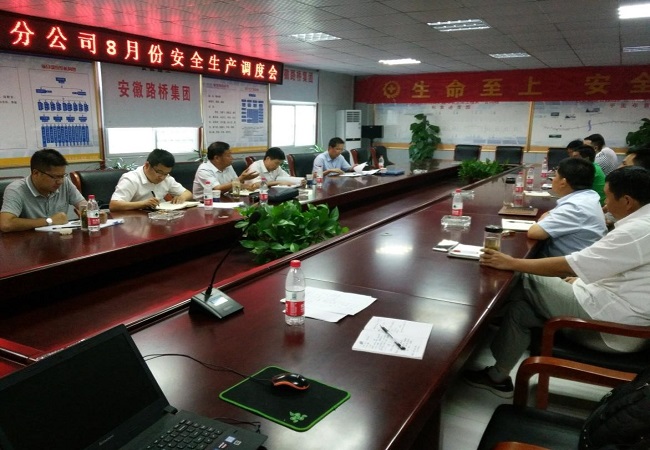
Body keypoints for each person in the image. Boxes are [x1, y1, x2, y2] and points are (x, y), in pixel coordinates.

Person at [464, 166, 650, 398]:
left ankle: (464, 336)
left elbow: (569, 265)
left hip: (614, 328)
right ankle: (497, 377)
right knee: (520, 309)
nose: (605, 204)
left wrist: (512, 262)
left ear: (627, 201)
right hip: (614, 314)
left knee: (519, 277)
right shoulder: (643, 224)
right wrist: (583, 279)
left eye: (608, 197)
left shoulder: (637, 231)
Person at [527, 157, 606, 257]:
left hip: (565, 265)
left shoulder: (575, 207)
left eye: (555, 176)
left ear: (563, 182)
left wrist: (546, 216)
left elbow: (534, 232)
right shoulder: (588, 196)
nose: (553, 180)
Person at [0, 148, 86, 233]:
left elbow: (83, 205)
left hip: (59, 239)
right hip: (28, 240)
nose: (60, 181)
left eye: (62, 176)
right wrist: (50, 220)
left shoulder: (64, 183)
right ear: (36, 173)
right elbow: (6, 224)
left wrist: (88, 212)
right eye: (54, 177)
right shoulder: (16, 189)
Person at [110, 148, 193, 211]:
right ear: (147, 165)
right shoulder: (131, 179)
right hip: (135, 221)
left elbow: (188, 193)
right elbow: (114, 205)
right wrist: (143, 204)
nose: (162, 177)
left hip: (159, 218)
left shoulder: (167, 179)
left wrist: (182, 197)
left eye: (166, 173)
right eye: (159, 172)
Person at [192, 141, 258, 199]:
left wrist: (247, 186)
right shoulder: (204, 170)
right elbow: (218, 189)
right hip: (205, 203)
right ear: (217, 158)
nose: (232, 158)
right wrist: (241, 178)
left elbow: (234, 184)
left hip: (225, 199)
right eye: (228, 156)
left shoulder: (228, 166)